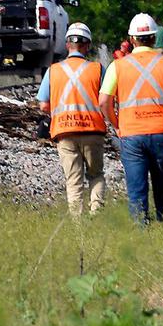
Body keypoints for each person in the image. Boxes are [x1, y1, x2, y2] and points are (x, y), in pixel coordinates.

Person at [98, 13, 163, 223]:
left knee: (137, 191)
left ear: (131, 40)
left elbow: (104, 101)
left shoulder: (117, 66)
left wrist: (117, 125)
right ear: (153, 37)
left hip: (131, 135)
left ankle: (142, 236)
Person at [37, 22, 107, 216]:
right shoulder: (97, 69)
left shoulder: (53, 70)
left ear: (68, 44)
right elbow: (107, 100)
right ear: (87, 45)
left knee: (73, 180)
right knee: (96, 175)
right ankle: (97, 215)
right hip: (93, 131)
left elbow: (43, 105)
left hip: (64, 131)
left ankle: (77, 226)